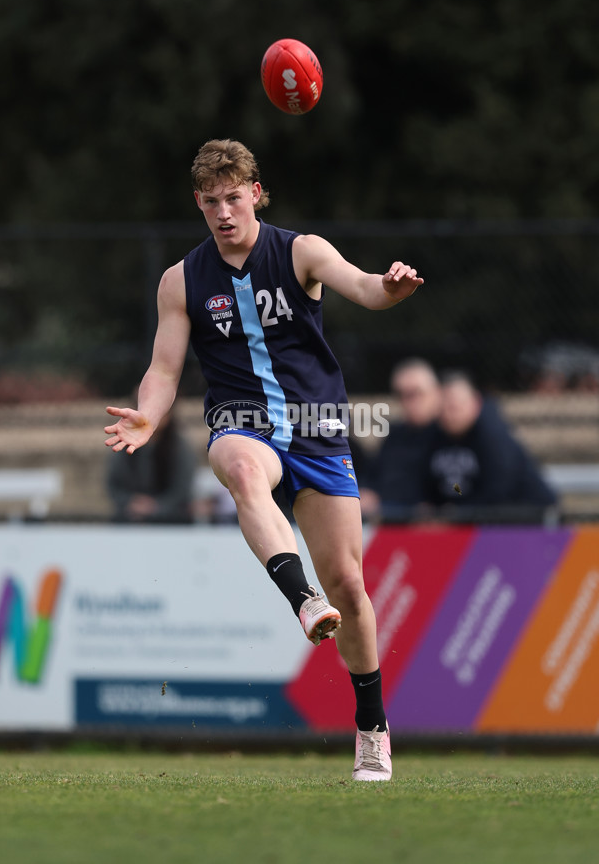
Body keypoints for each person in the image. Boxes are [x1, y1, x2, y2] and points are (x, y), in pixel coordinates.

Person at [104, 138, 423, 781]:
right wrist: (149, 413)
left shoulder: (300, 250)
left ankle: (371, 730)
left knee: (352, 587)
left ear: (256, 193)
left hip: (318, 429)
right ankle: (301, 599)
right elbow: (165, 368)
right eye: (211, 202)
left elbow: (363, 288)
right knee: (244, 471)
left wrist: (391, 287)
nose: (224, 212)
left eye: (233, 197)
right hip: (241, 423)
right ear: (199, 204)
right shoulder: (182, 280)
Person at [424, 371, 558, 519]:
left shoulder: (493, 436)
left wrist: (455, 514)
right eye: (442, 408)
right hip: (478, 520)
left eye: (455, 407)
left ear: (475, 402)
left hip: (527, 520)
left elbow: (497, 491)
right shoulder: (437, 435)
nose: (448, 414)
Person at [358, 358, 442, 521]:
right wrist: (368, 491)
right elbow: (373, 475)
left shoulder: (448, 435)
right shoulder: (395, 434)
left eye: (416, 393)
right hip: (390, 521)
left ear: (436, 392)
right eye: (402, 394)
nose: (410, 401)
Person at [106, 409, 196, 524]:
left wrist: (156, 506)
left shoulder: (180, 447)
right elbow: (114, 485)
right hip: (130, 515)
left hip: (171, 518)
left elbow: (182, 490)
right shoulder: (123, 444)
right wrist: (131, 502)